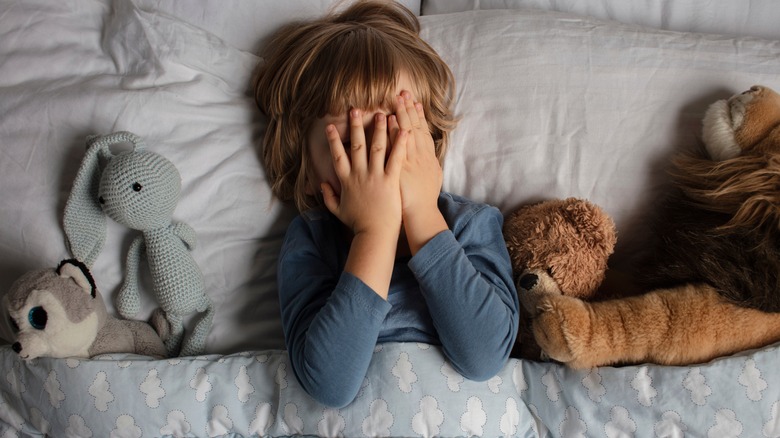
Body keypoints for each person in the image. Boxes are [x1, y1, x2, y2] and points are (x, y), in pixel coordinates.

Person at [253, 0, 519, 408]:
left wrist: (422, 214)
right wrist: (373, 232)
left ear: (430, 149)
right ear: (308, 173)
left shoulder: (468, 224)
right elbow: (328, 384)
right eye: (352, 145)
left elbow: (485, 357)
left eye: (396, 135)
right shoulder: (312, 241)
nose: (381, 159)